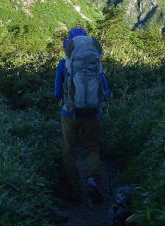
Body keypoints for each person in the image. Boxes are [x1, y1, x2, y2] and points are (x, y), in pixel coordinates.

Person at [54, 27, 112, 204]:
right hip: (93, 114)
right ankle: (92, 180)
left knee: (69, 150)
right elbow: (107, 91)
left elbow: (56, 93)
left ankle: (74, 189)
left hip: (69, 113)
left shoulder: (64, 64)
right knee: (92, 148)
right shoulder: (96, 64)